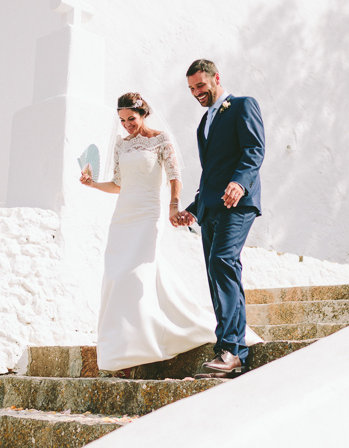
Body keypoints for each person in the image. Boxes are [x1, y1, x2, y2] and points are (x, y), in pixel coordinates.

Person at [79, 92, 217, 373]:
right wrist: (92, 184)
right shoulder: (121, 145)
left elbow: (175, 176)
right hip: (123, 216)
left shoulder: (160, 139)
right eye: (122, 120)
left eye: (132, 118)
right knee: (117, 275)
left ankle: (146, 342)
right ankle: (124, 346)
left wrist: (174, 206)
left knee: (137, 273)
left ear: (144, 114)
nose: (127, 124)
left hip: (148, 213)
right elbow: (118, 184)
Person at [174, 59, 265, 378]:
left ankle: (230, 350)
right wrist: (193, 209)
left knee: (223, 262)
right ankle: (232, 351)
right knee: (217, 272)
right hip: (210, 208)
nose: (196, 92)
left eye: (200, 85)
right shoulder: (203, 124)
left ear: (216, 79)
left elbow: (254, 150)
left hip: (238, 204)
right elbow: (210, 173)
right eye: (191, 89)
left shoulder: (242, 106)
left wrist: (240, 182)